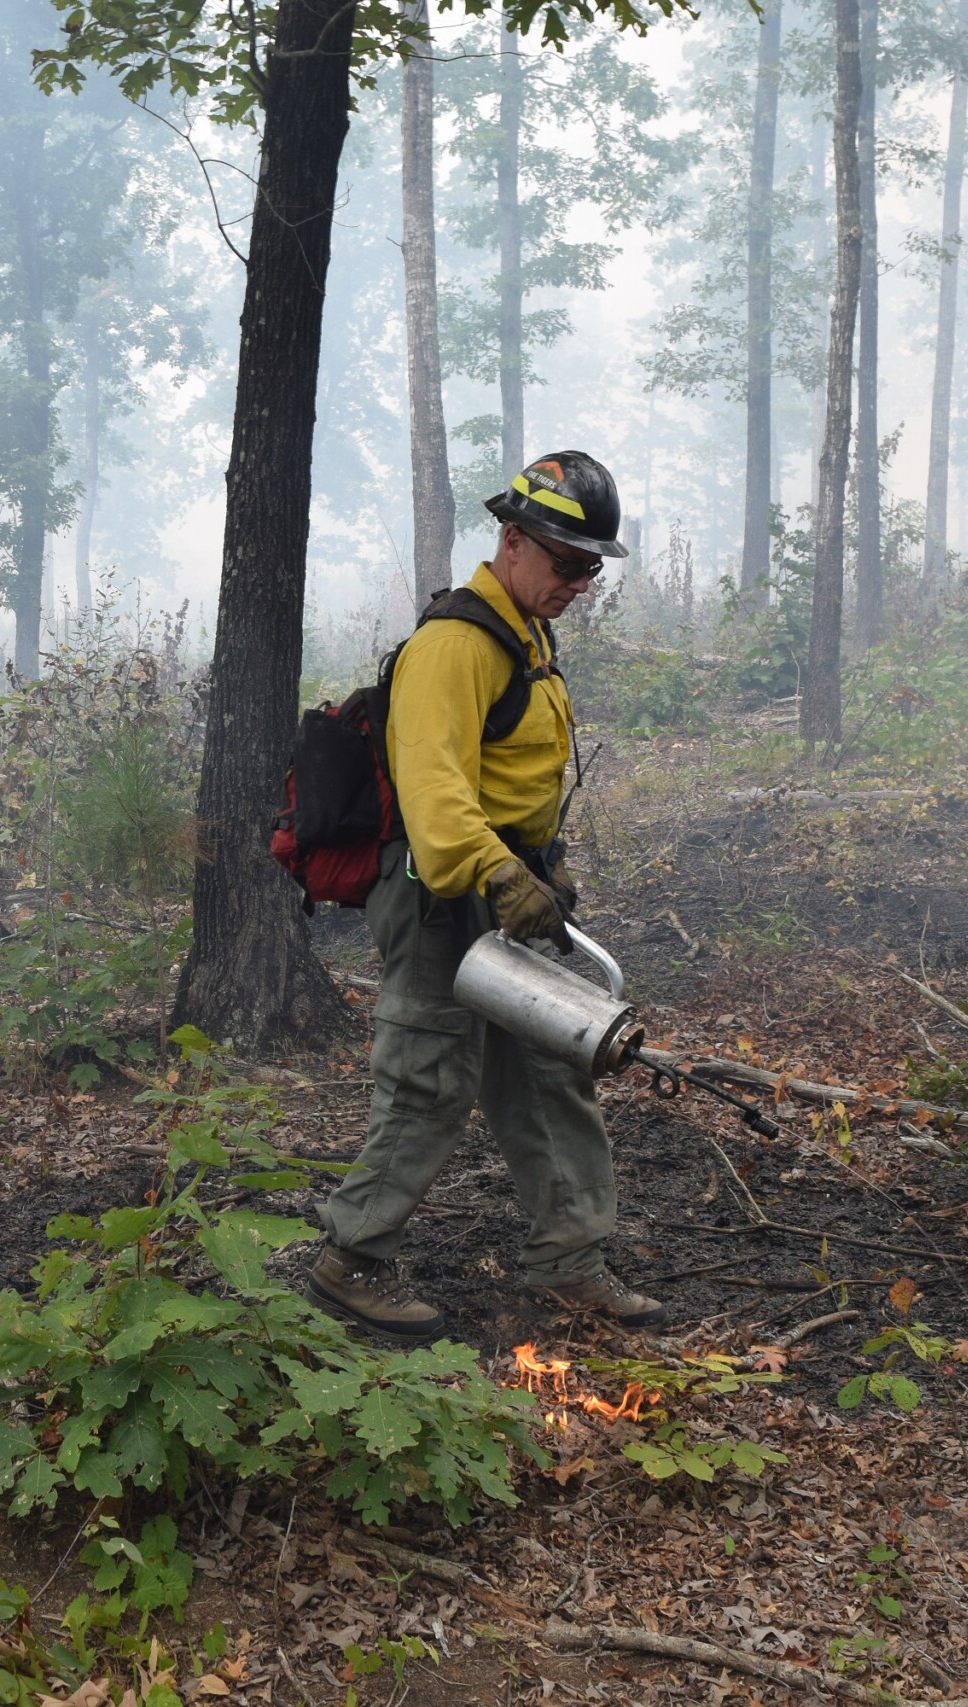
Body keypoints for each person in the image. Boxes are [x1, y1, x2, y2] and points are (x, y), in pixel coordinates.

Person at [308, 451, 662, 1338]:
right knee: (430, 1079)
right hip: (445, 894)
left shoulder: (525, 634)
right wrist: (504, 873)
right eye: (567, 562)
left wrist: (545, 868)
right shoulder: (455, 647)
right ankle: (349, 1261)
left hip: (513, 888)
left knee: (551, 1067)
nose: (581, 582)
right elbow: (435, 803)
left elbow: (517, 778)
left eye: (592, 567)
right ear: (511, 540)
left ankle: (569, 1260)